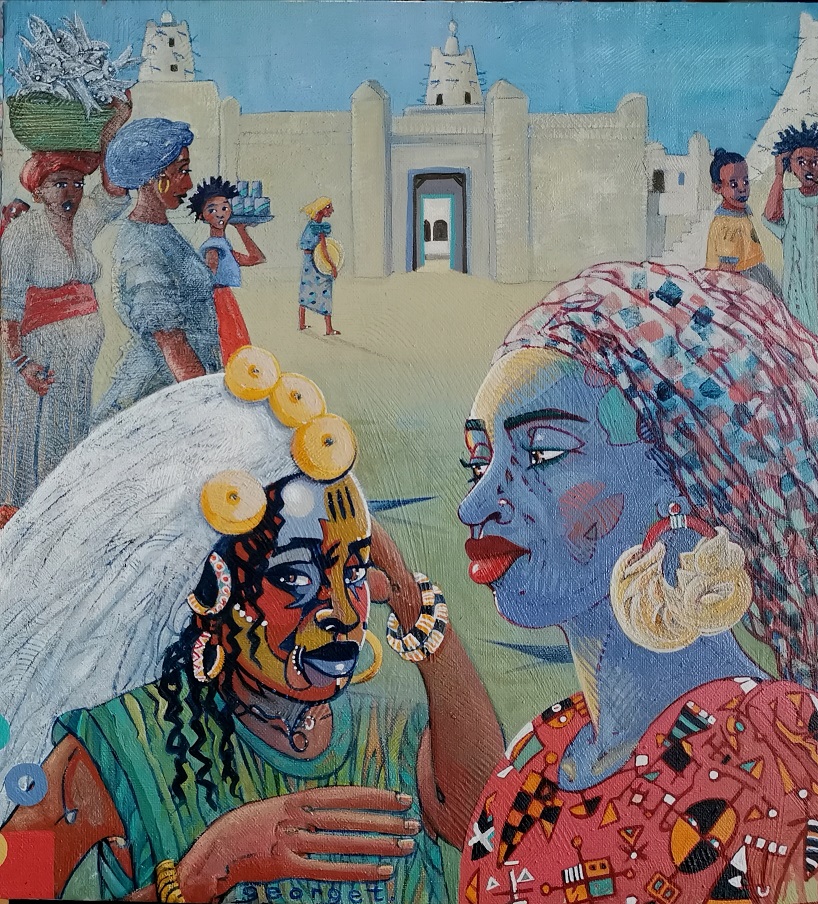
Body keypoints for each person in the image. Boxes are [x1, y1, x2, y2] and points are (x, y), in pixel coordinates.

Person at [456, 262, 818, 903]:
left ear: (680, 475)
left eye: (543, 453)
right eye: (478, 463)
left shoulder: (793, 750)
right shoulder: (530, 772)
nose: (475, 505)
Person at [0, 347, 503, 901]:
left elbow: (489, 828)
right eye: (294, 578)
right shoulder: (124, 745)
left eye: (354, 572)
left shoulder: (391, 737)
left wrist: (409, 600)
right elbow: (11, 886)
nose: (342, 611)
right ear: (214, 590)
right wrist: (202, 876)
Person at [0, 97, 131, 528]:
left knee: (69, 430)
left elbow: (113, 191)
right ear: (38, 189)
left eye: (76, 183)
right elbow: (8, 305)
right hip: (35, 358)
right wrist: (21, 362)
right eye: (59, 183)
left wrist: (113, 126)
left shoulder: (85, 219)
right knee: (26, 437)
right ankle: (18, 520)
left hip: (78, 360)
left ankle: (63, 515)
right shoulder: (24, 231)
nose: (70, 192)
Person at [92, 118, 220, 424]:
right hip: (158, 393)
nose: (188, 184)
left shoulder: (162, 232)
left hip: (181, 385)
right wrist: (210, 409)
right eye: (182, 171)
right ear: (153, 177)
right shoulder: (141, 248)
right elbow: (171, 341)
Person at [763, 121, 818, 334]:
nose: (807, 167)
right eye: (800, 161)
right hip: (796, 288)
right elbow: (770, 215)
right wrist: (778, 175)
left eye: (814, 161)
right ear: (790, 166)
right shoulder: (788, 198)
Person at [189, 176, 266, 364]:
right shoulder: (213, 248)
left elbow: (256, 258)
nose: (220, 214)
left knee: (234, 343)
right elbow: (208, 278)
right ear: (202, 216)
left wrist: (241, 230)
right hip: (218, 300)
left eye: (224, 208)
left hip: (225, 299)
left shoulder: (223, 246)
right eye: (212, 210)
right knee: (229, 343)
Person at [706, 148, 783, 299]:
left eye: (746, 181)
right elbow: (727, 271)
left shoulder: (740, 214)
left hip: (754, 272)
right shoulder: (726, 225)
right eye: (733, 184)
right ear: (717, 188)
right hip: (742, 280)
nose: (742, 188)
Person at [298, 197, 341, 336]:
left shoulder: (310, 225)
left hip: (307, 262)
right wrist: (333, 266)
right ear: (322, 209)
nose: (332, 210)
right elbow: (324, 249)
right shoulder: (319, 228)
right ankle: (328, 328)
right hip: (317, 262)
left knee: (305, 291)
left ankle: (301, 323)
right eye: (329, 207)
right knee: (325, 292)